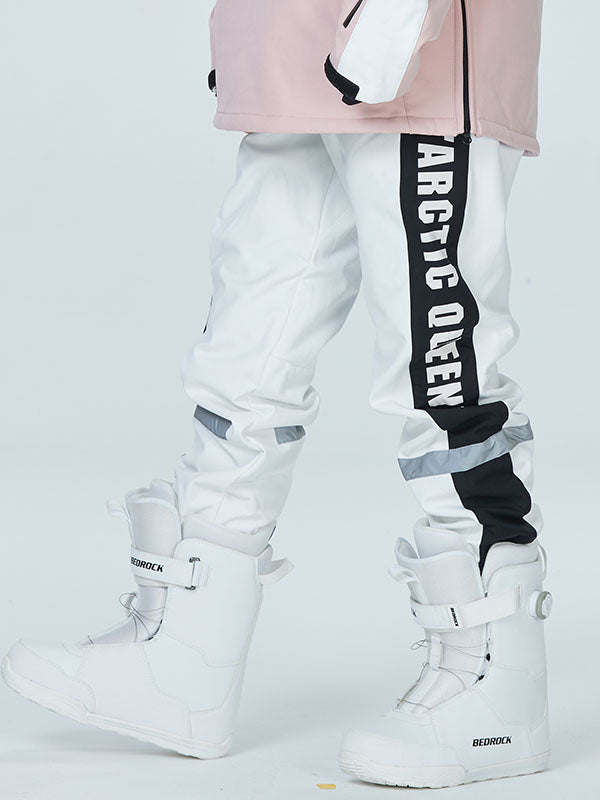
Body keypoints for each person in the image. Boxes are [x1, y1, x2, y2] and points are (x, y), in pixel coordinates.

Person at [2, 0, 552, 789]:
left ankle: (496, 679)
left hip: (412, 56)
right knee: (245, 355)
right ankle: (184, 660)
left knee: (442, 370)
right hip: (292, 52)